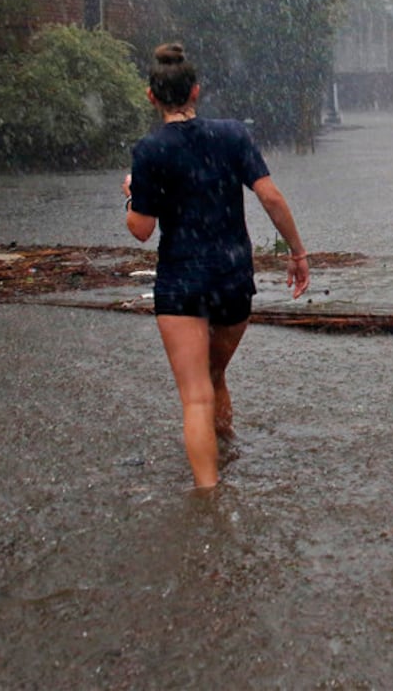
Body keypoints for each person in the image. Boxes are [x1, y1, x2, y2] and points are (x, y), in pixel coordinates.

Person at [124, 43, 310, 489]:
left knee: (195, 399)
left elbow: (141, 229)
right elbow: (270, 196)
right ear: (196, 91)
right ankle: (227, 446)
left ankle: (209, 501)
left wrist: (132, 192)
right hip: (231, 279)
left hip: (181, 283)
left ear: (151, 97)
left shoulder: (150, 150)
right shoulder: (232, 135)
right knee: (215, 372)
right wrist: (298, 253)